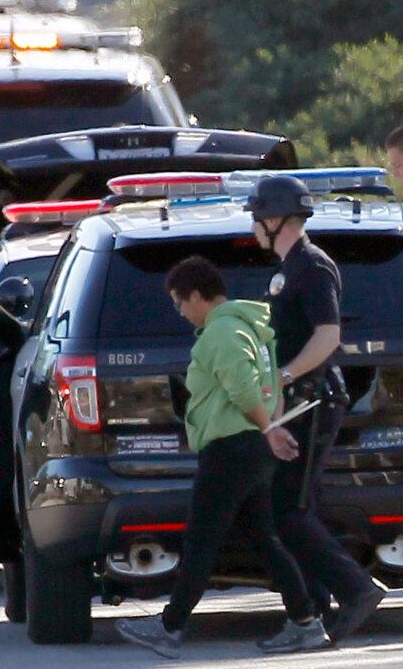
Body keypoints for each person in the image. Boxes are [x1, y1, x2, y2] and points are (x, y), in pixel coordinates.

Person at [115, 257, 329, 658]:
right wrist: (270, 427)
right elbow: (270, 384)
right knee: (264, 538)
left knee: (201, 540)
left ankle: (170, 627)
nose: (180, 312)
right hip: (250, 448)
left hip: (231, 449)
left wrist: (269, 428)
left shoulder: (223, 332)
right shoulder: (251, 329)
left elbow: (244, 390)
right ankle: (305, 621)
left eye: (180, 302)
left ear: (197, 295)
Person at [245, 176, 387, 644]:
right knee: (295, 507)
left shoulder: (312, 265)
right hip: (298, 401)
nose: (253, 226)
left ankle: (357, 590)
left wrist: (284, 378)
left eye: (256, 216)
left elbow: (327, 336)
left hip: (314, 399)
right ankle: (311, 612)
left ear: (275, 219)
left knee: (289, 510)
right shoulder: (289, 268)